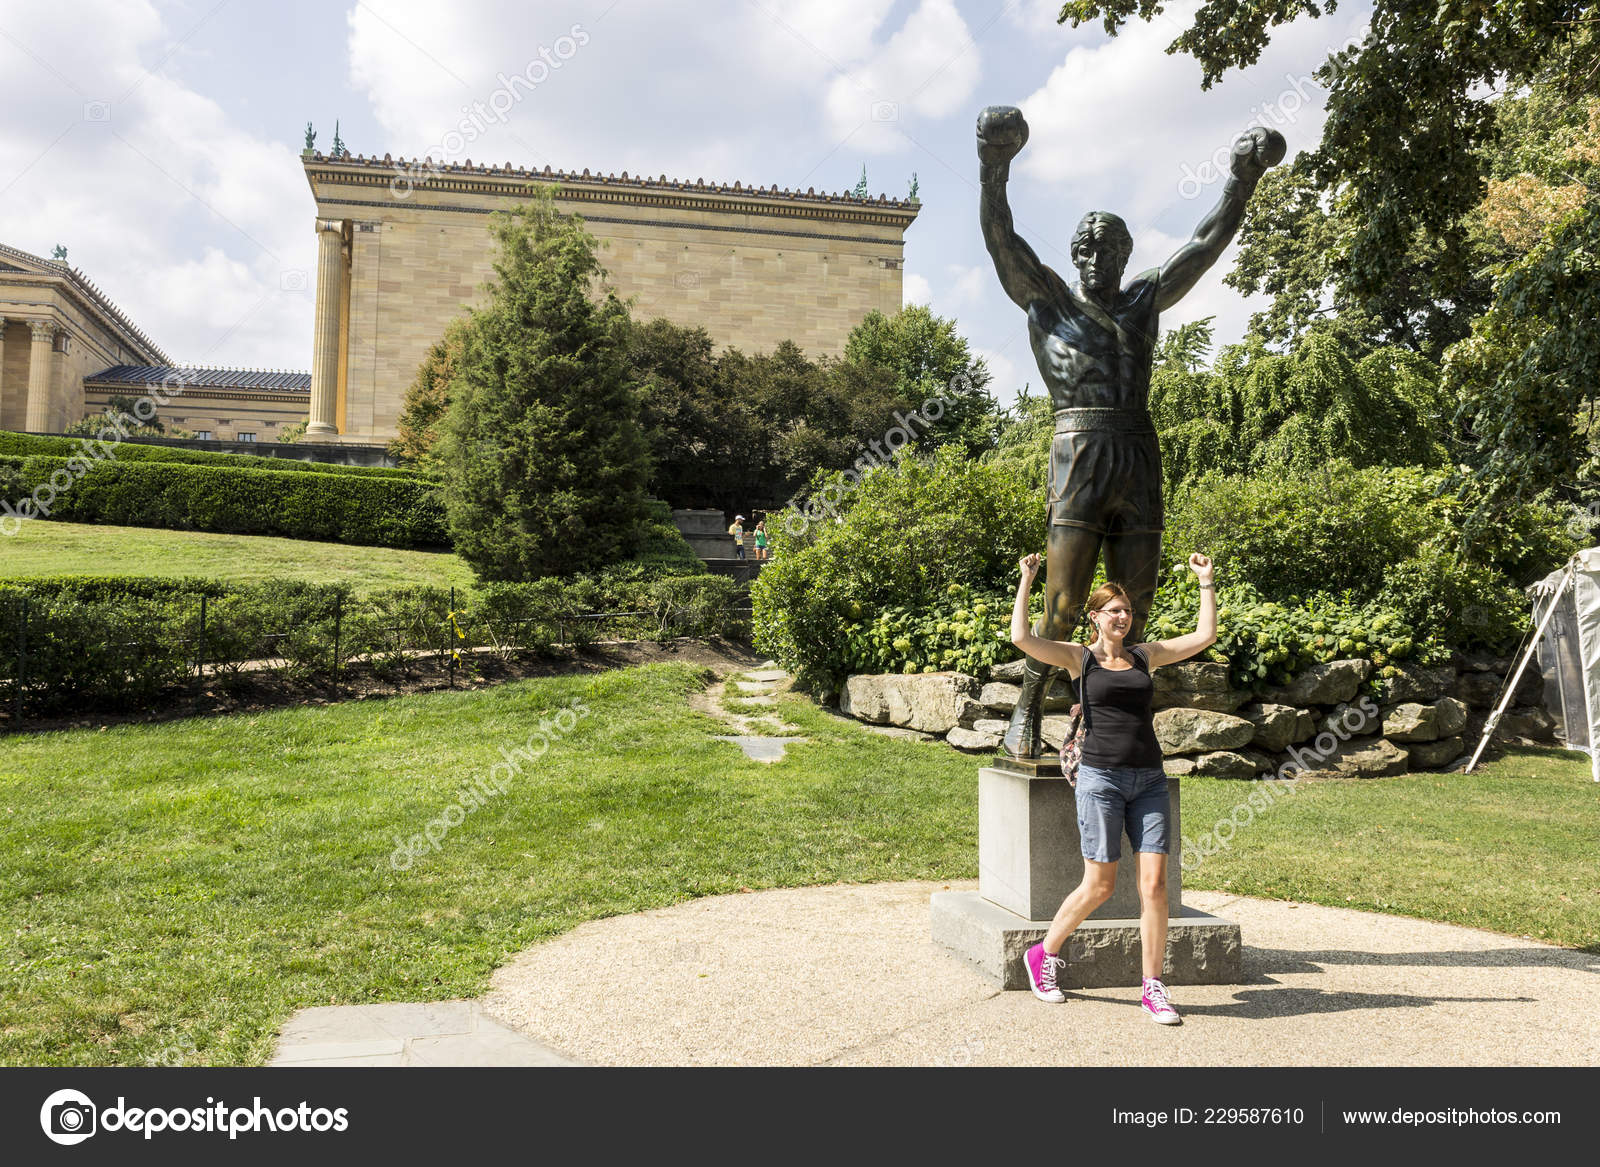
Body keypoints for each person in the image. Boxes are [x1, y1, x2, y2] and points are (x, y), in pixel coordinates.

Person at [976, 103, 1282, 761]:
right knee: (1062, 609)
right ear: (1073, 253)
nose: (1096, 257)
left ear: (1124, 255)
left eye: (1109, 248)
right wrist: (993, 165)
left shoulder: (1144, 301)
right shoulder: (1049, 303)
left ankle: (1108, 722)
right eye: (1086, 246)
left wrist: (1242, 178)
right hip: (1078, 451)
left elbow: (1205, 244)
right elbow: (1002, 239)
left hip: (1137, 452)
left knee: (1130, 610)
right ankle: (1028, 710)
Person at [1008, 549, 1218, 1024]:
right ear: (1096, 617)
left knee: (1155, 886)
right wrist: (1028, 579)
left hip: (1148, 778)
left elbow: (1205, 636)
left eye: (1127, 611)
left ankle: (1153, 987)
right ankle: (1043, 954)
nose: (1122, 617)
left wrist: (1206, 581)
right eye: (1113, 611)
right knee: (1100, 884)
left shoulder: (1147, 657)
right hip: (1100, 778)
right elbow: (1022, 637)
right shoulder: (1078, 659)